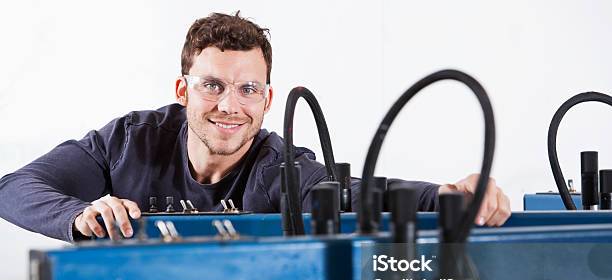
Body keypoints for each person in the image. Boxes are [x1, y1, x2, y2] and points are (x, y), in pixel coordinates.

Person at [0, 12, 510, 243]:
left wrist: (446, 195)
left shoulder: (282, 169)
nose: (229, 106)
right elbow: (14, 188)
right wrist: (82, 213)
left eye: (248, 90)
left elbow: (354, 194)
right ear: (182, 91)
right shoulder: (128, 141)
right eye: (212, 86)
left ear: (267, 100)